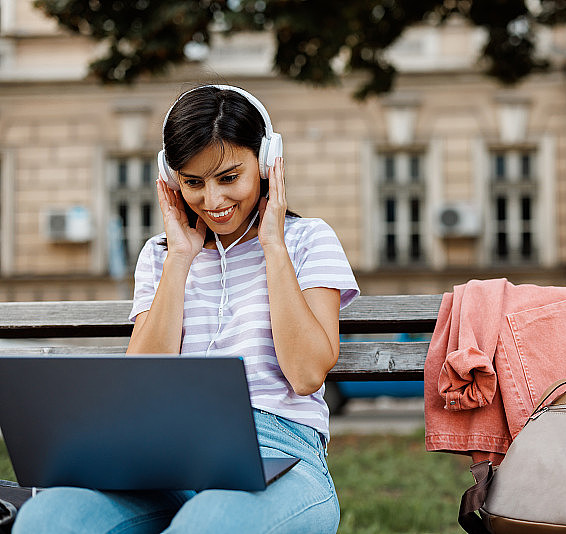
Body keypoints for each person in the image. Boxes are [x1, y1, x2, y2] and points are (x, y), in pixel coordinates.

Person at [13, 84, 359, 534]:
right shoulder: (162, 255)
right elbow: (140, 384)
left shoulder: (308, 240)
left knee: (206, 524)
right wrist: (180, 258)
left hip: (280, 454)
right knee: (48, 519)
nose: (213, 201)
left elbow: (306, 373)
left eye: (229, 177)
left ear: (268, 161)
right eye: (193, 183)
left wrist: (273, 244)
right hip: (165, 458)